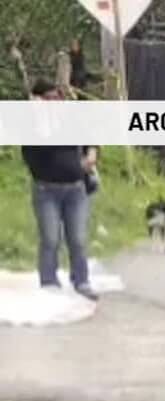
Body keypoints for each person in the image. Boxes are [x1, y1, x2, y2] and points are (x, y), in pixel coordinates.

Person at [22, 80, 97, 300]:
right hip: (47, 189)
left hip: (75, 189)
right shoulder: (32, 125)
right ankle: (49, 282)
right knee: (50, 238)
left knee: (78, 238)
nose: (55, 103)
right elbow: (33, 154)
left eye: (58, 98)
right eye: (49, 99)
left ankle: (81, 280)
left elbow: (90, 141)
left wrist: (91, 155)